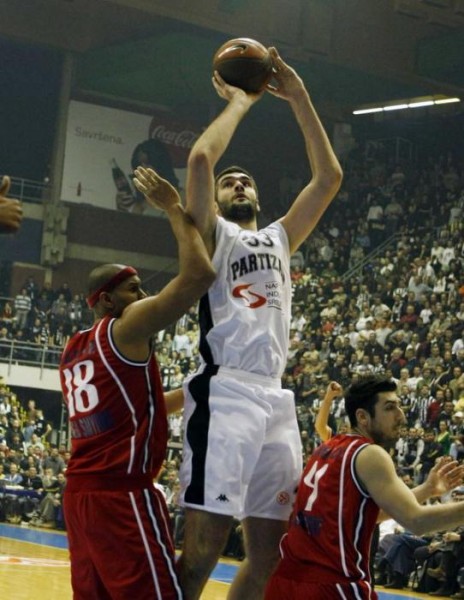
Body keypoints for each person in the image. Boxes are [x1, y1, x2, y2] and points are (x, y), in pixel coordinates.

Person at [177, 46, 343, 600]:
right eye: (231, 183)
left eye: (246, 181)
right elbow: (200, 160)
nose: (239, 185)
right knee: (204, 547)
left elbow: (328, 176)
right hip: (226, 391)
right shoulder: (211, 233)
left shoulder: (279, 238)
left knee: (272, 553)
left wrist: (299, 96)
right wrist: (242, 102)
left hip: (275, 397)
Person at [58, 168, 215, 600]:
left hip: (80, 495)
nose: (143, 297)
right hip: (120, 493)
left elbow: (136, 406)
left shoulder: (73, 348)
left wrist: (200, 389)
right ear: (107, 300)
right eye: (133, 289)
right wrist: (173, 208)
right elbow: (199, 276)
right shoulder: (126, 327)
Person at [264, 376, 464, 600]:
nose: (401, 415)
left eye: (399, 406)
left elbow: (365, 515)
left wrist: (426, 490)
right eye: (390, 408)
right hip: (333, 586)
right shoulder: (369, 454)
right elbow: (417, 521)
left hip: (285, 582)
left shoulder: (327, 448)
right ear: (362, 417)